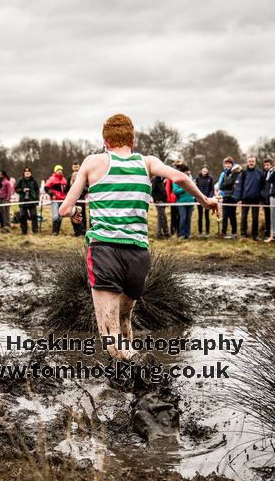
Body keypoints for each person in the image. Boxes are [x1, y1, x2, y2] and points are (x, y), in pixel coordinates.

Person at [58, 113, 218, 362]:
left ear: (105, 141)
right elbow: (180, 178)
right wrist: (205, 200)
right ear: (132, 140)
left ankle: (139, 370)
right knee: (124, 321)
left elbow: (64, 209)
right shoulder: (147, 162)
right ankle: (131, 384)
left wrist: (77, 211)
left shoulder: (93, 162)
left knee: (110, 335)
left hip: (105, 250)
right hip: (138, 254)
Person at [234, 156, 264, 240]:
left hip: (256, 199)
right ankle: (243, 233)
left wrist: (261, 199)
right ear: (247, 162)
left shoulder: (259, 173)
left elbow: (262, 186)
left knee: (255, 217)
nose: (251, 163)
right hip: (245, 199)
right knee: (244, 217)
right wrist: (238, 199)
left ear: (255, 162)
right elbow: (239, 186)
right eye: (250, 161)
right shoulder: (243, 173)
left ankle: (255, 235)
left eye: (253, 161)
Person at [15, 167, 39, 234]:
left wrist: (37, 198)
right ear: (24, 173)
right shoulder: (20, 180)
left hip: (32, 200)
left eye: (29, 171)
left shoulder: (34, 180)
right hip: (23, 201)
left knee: (34, 215)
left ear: (30, 173)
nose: (27, 172)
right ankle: (24, 230)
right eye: (26, 171)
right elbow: (16, 189)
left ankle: (35, 230)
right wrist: (22, 190)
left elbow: (37, 190)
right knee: (23, 216)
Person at [45, 164, 68, 235]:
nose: (60, 171)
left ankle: (57, 232)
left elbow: (66, 190)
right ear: (55, 171)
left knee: (60, 215)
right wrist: (52, 194)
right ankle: (54, 231)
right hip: (55, 200)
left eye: (61, 170)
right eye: (58, 170)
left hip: (62, 200)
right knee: (55, 216)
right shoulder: (52, 179)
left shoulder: (64, 179)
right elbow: (46, 188)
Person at [173, 164, 195, 239]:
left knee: (188, 219)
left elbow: (194, 189)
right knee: (183, 218)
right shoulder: (177, 180)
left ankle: (188, 234)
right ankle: (181, 234)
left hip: (190, 202)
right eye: (186, 172)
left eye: (188, 172)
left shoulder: (191, 180)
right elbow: (175, 191)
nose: (187, 173)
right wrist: (185, 188)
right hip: (181, 202)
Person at [218, 157, 237, 238]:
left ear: (232, 164)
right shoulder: (223, 174)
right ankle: (223, 232)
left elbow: (235, 185)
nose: (227, 165)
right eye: (226, 164)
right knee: (225, 215)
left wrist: (226, 184)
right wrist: (228, 184)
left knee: (232, 216)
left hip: (233, 197)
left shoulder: (235, 173)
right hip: (225, 196)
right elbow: (220, 186)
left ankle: (234, 232)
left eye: (229, 164)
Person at [195, 165, 214, 237]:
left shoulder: (210, 178)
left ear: (207, 171)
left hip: (207, 200)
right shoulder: (197, 178)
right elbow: (195, 188)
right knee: (200, 216)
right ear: (201, 170)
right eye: (203, 170)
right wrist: (197, 197)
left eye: (206, 170)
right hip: (199, 199)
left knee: (207, 216)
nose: (205, 171)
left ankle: (207, 232)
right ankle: (200, 232)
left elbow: (212, 189)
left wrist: (209, 198)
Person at [67, 161, 86, 236]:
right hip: (73, 200)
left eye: (77, 167)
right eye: (74, 167)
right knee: (73, 215)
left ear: (79, 167)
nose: (75, 168)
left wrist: (82, 192)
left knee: (82, 215)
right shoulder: (69, 177)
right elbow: (67, 188)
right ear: (72, 167)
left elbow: (86, 187)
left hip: (81, 199)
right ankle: (76, 232)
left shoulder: (83, 176)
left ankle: (84, 231)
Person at [261, 158, 273, 238]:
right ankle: (267, 232)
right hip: (265, 200)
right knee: (267, 217)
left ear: (271, 165)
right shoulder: (262, 174)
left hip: (272, 199)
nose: (266, 166)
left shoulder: (273, 173)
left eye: (268, 165)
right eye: (265, 165)